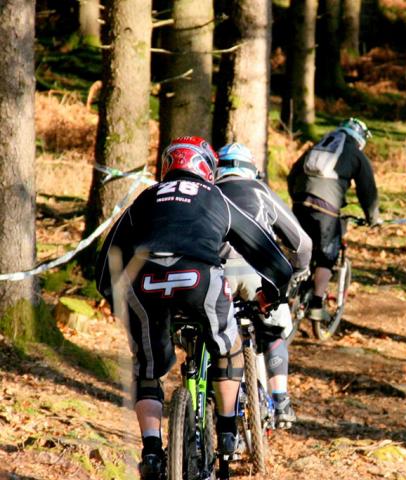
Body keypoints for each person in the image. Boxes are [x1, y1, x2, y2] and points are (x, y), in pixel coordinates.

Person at [95, 136, 292, 480]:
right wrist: (271, 294)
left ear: (168, 165)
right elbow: (269, 254)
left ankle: (153, 452)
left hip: (145, 283)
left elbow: (104, 266)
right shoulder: (216, 197)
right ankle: (228, 433)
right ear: (206, 167)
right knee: (228, 346)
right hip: (199, 279)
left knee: (148, 368)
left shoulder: (145, 198)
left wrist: (121, 304)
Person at [215, 142, 312, 428]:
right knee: (275, 328)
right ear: (251, 170)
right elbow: (301, 242)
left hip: (216, 274)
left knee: (215, 332)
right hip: (257, 272)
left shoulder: (208, 193)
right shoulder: (260, 191)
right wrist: (299, 270)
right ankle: (281, 399)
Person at [287, 118, 380, 321]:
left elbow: (293, 174)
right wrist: (373, 218)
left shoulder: (319, 146)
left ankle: (287, 294)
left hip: (300, 203)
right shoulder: (356, 153)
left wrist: (297, 198)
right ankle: (317, 305)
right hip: (326, 209)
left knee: (300, 247)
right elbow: (368, 190)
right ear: (360, 139)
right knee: (327, 255)